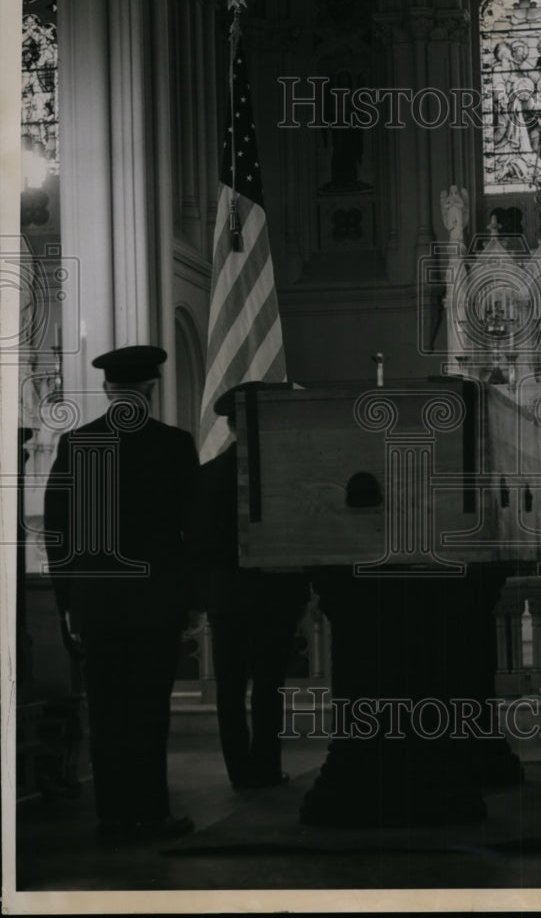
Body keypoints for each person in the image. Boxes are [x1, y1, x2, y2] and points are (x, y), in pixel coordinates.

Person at [44, 345, 199, 845]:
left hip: (97, 606)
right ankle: (151, 814)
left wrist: (67, 603)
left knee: (107, 716)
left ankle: (112, 818)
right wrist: (191, 599)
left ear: (109, 390)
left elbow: (59, 532)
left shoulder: (77, 444)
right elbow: (190, 532)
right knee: (150, 714)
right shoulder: (174, 445)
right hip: (156, 602)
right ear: (151, 389)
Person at [191, 382, 310, 790]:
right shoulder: (285, 473)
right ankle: (265, 766)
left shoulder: (206, 476)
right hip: (274, 596)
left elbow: (199, 544)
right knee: (268, 687)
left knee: (228, 689)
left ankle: (239, 772)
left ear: (228, 426)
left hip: (226, 597)